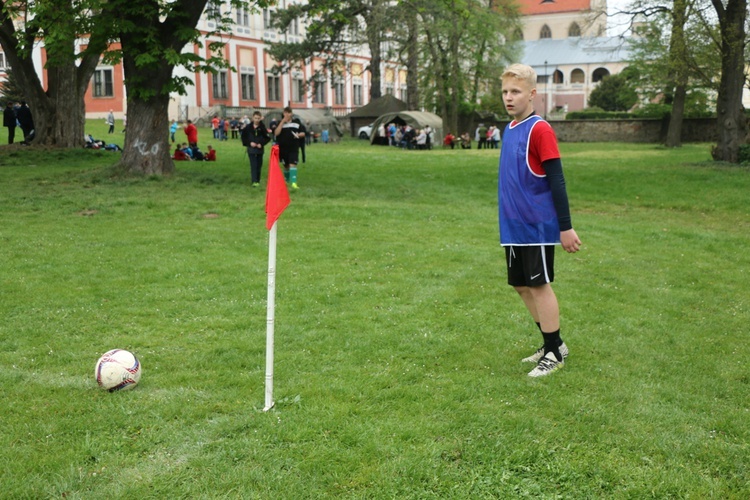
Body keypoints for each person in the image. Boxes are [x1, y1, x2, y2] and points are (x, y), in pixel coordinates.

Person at [497, 63, 581, 378]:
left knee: (539, 285)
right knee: (521, 285)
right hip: (513, 225)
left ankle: (555, 350)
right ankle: (550, 344)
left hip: (536, 226)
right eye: (505, 91)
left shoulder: (540, 129)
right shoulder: (510, 128)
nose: (509, 97)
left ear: (532, 94)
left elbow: (556, 180)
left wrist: (565, 226)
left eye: (515, 92)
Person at [274, 106, 306, 190]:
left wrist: (298, 135)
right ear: (283, 113)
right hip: (283, 148)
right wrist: (282, 122)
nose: (287, 114)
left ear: (291, 114)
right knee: (286, 166)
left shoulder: (296, 122)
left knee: (293, 164)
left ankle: (294, 182)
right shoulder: (280, 123)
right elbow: (276, 133)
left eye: (289, 113)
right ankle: (287, 180)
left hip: (293, 147)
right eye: (285, 113)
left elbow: (303, 133)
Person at [241, 111, 270, 186]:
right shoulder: (248, 127)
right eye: (255, 118)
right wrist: (249, 143)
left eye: (258, 118)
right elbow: (244, 137)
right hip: (251, 150)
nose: (257, 120)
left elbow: (267, 138)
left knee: (259, 165)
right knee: (253, 165)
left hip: (260, 150)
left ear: (260, 119)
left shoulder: (262, 128)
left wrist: (261, 144)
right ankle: (254, 181)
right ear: (252, 118)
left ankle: (258, 180)